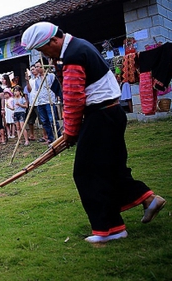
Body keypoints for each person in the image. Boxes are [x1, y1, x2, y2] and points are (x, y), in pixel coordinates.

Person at [21, 21, 166, 243]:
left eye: (43, 49)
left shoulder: (73, 55)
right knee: (111, 169)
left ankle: (110, 229)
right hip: (112, 114)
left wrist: (70, 132)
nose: (44, 54)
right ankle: (148, 199)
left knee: (86, 173)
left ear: (54, 41)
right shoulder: (79, 46)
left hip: (100, 116)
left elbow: (73, 99)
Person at [31, 59, 60, 144]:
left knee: (53, 120)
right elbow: (37, 90)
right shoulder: (37, 80)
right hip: (41, 103)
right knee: (44, 121)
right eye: (35, 67)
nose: (36, 69)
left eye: (37, 67)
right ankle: (50, 138)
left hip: (49, 101)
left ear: (43, 66)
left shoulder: (51, 76)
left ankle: (58, 136)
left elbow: (55, 88)